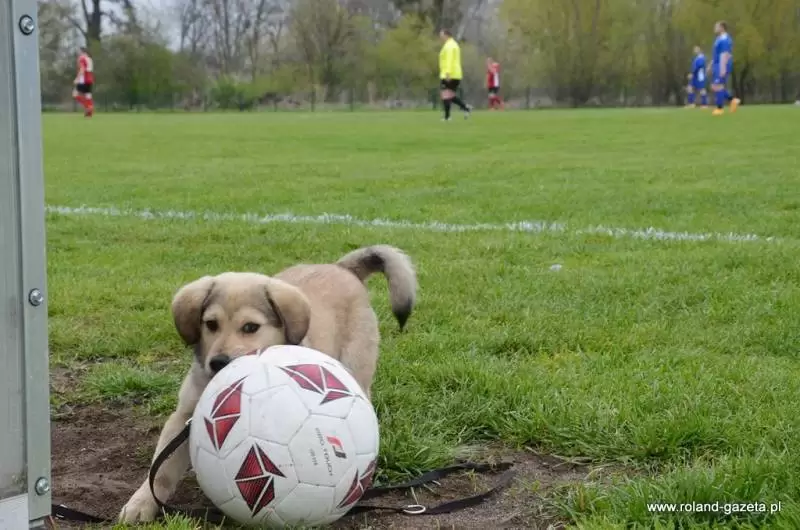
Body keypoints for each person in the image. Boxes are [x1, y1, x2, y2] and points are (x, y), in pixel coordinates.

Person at [438, 29, 472, 121]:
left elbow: (449, 60)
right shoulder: (453, 44)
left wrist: (447, 73)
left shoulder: (449, 46)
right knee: (450, 95)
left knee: (445, 94)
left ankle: (447, 117)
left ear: (446, 35)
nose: (441, 37)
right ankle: (466, 107)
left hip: (450, 73)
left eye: (441, 35)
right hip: (456, 74)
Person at [710, 21, 740, 116]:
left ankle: (719, 109)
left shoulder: (725, 39)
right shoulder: (718, 39)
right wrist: (710, 65)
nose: (715, 28)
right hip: (717, 64)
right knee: (715, 86)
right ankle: (733, 100)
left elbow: (725, 54)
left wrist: (722, 68)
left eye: (716, 26)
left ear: (722, 28)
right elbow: (716, 54)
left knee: (718, 86)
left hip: (722, 64)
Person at [73, 46, 95, 118]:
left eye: (79, 52)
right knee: (88, 96)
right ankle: (89, 113)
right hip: (90, 80)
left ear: (81, 51)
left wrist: (77, 78)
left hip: (83, 80)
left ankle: (88, 107)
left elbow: (82, 69)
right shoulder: (89, 59)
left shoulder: (82, 58)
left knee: (75, 94)